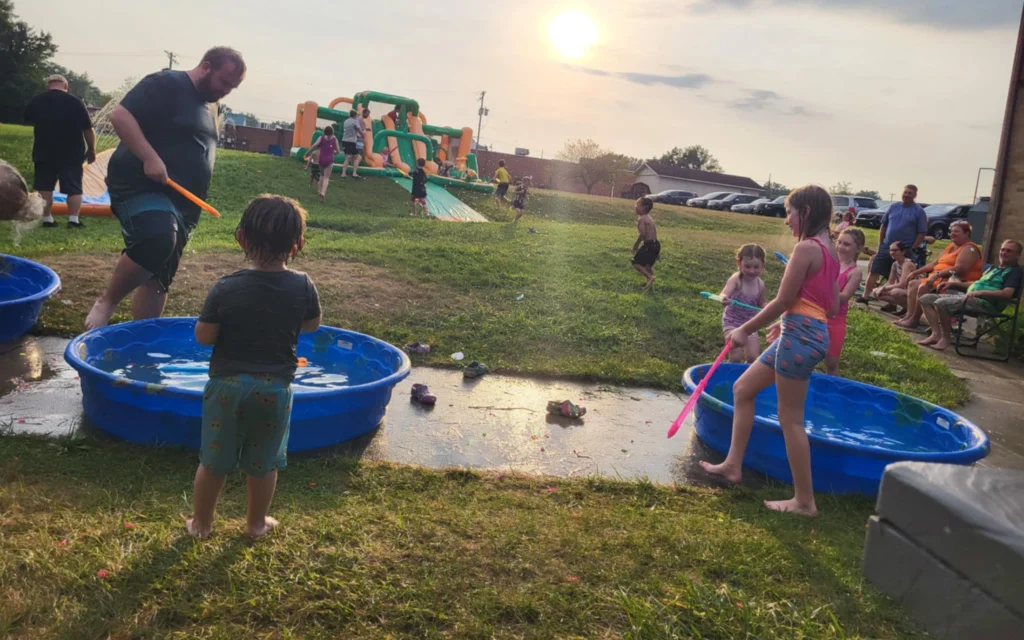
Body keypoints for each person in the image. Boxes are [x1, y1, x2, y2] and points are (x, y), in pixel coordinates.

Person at [187, 195, 321, 539]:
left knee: (214, 462)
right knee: (264, 463)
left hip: (226, 388)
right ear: (297, 244)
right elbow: (312, 325)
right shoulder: (303, 285)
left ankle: (202, 524)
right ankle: (256, 524)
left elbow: (204, 337)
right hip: (274, 389)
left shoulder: (226, 287)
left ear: (241, 238)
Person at [84, 47, 246, 331]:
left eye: (232, 88)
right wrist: (149, 157)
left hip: (185, 202)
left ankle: (144, 339)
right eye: (224, 82)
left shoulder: (209, 106)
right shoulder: (167, 83)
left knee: (159, 277)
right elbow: (120, 116)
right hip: (141, 185)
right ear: (206, 66)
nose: (225, 91)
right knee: (158, 238)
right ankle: (107, 301)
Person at [701, 185, 839, 517]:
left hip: (799, 339)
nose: (786, 220)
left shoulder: (806, 248)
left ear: (805, 212)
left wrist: (744, 329)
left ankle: (804, 502)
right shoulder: (831, 252)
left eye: (789, 212)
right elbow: (831, 306)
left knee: (790, 420)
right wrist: (788, 322)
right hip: (804, 334)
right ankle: (733, 465)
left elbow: (782, 300)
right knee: (743, 389)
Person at [917, 240, 1022, 351]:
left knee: (941, 303)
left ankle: (945, 338)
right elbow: (976, 284)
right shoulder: (993, 269)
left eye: (1009, 251)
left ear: (1017, 255)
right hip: (970, 298)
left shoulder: (1014, 272)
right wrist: (953, 284)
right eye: (1002, 249)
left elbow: (1007, 294)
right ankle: (935, 334)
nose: (1004, 253)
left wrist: (980, 293)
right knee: (925, 299)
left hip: (986, 304)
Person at [24, 74, 97, 229]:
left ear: (48, 85)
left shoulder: (37, 100)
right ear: (66, 86)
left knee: (45, 187)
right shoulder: (75, 102)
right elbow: (87, 129)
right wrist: (91, 149)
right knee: (74, 187)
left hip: (43, 151)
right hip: (72, 152)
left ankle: (47, 219)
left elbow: (28, 119)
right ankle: (73, 220)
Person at [896, 220, 983, 329]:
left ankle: (914, 320)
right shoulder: (951, 246)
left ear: (967, 233)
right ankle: (909, 316)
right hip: (939, 279)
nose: (952, 234)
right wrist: (915, 272)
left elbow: (960, 269)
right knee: (913, 283)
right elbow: (934, 264)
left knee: (923, 286)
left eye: (956, 231)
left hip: (955, 283)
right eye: (951, 231)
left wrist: (937, 275)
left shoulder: (969, 248)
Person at [859, 185, 927, 301]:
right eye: (905, 192)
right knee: (875, 269)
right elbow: (883, 226)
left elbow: (922, 232)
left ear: (915, 195)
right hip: (887, 246)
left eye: (910, 193)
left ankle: (892, 303)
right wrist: (881, 243)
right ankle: (865, 297)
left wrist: (913, 248)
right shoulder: (893, 207)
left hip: (905, 248)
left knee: (897, 276)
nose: (906, 195)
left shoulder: (919, 211)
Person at [825, 228, 865, 376]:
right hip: (818, 314)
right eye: (839, 242)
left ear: (858, 248)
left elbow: (845, 296)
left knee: (831, 363)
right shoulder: (830, 262)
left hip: (836, 320)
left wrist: (824, 290)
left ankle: (833, 386)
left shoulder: (855, 272)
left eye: (846, 244)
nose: (840, 246)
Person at [719, 244, 768, 363]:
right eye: (747, 266)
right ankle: (731, 373)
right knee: (735, 357)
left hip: (750, 324)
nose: (752, 271)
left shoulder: (760, 284)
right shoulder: (736, 279)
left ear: (762, 266)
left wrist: (767, 308)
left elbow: (762, 303)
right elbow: (724, 293)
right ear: (739, 263)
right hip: (732, 322)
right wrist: (724, 298)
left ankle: (745, 374)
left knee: (753, 358)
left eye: (756, 267)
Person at [874, 242, 915, 314]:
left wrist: (884, 288)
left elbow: (902, 284)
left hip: (913, 291)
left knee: (895, 292)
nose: (892, 252)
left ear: (902, 252)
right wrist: (880, 289)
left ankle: (911, 310)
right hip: (904, 290)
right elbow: (890, 282)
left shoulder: (907, 264)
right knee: (876, 292)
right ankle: (905, 307)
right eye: (891, 250)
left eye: (895, 250)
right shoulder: (895, 264)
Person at [631, 196, 659, 290]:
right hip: (656, 244)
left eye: (637, 204)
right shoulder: (649, 218)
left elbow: (643, 233)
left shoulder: (642, 219)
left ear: (643, 208)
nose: (635, 206)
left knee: (635, 262)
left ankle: (650, 277)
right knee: (647, 266)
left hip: (649, 245)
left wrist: (636, 245)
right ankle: (650, 285)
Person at [305, 126, 339, 203]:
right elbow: (338, 151)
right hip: (329, 160)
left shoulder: (321, 138)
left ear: (324, 132)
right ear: (332, 133)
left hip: (321, 159)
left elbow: (314, 145)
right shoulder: (334, 139)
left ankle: (319, 191)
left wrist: (307, 153)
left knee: (322, 175)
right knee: (326, 178)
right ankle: (323, 193)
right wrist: (333, 152)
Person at [339, 110, 363, 178]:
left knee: (347, 158)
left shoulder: (346, 121)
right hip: (351, 142)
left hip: (344, 141)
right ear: (355, 115)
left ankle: (343, 174)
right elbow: (360, 131)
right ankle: (354, 173)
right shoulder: (355, 121)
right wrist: (363, 133)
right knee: (358, 157)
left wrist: (356, 135)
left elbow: (350, 131)